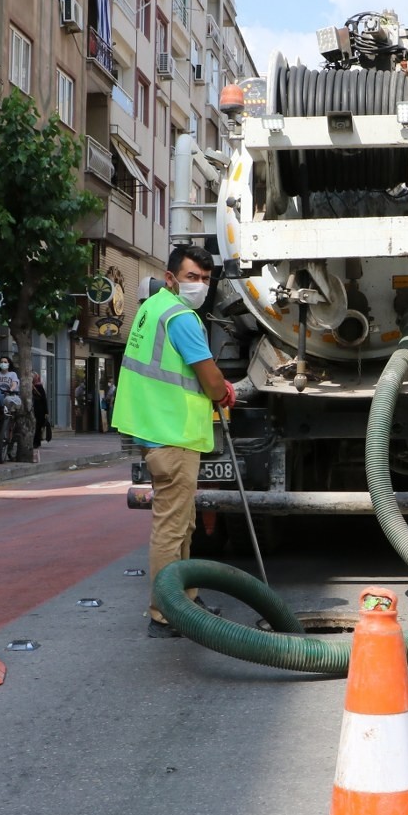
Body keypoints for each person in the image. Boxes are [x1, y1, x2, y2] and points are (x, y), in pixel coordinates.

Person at [111, 244, 235, 639]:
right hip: (172, 435)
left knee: (183, 524)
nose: (198, 285)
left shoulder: (151, 310)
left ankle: (185, 598)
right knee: (171, 527)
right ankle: (164, 613)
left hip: (159, 432)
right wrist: (223, 392)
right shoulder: (182, 318)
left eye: (204, 279)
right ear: (170, 278)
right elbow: (210, 377)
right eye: (190, 277)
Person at [32, 372, 50, 448]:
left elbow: (44, 399)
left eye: (33, 377)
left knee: (38, 427)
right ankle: (35, 442)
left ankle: (36, 442)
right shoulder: (27, 386)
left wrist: (46, 412)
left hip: (39, 410)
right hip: (33, 408)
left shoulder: (39, 386)